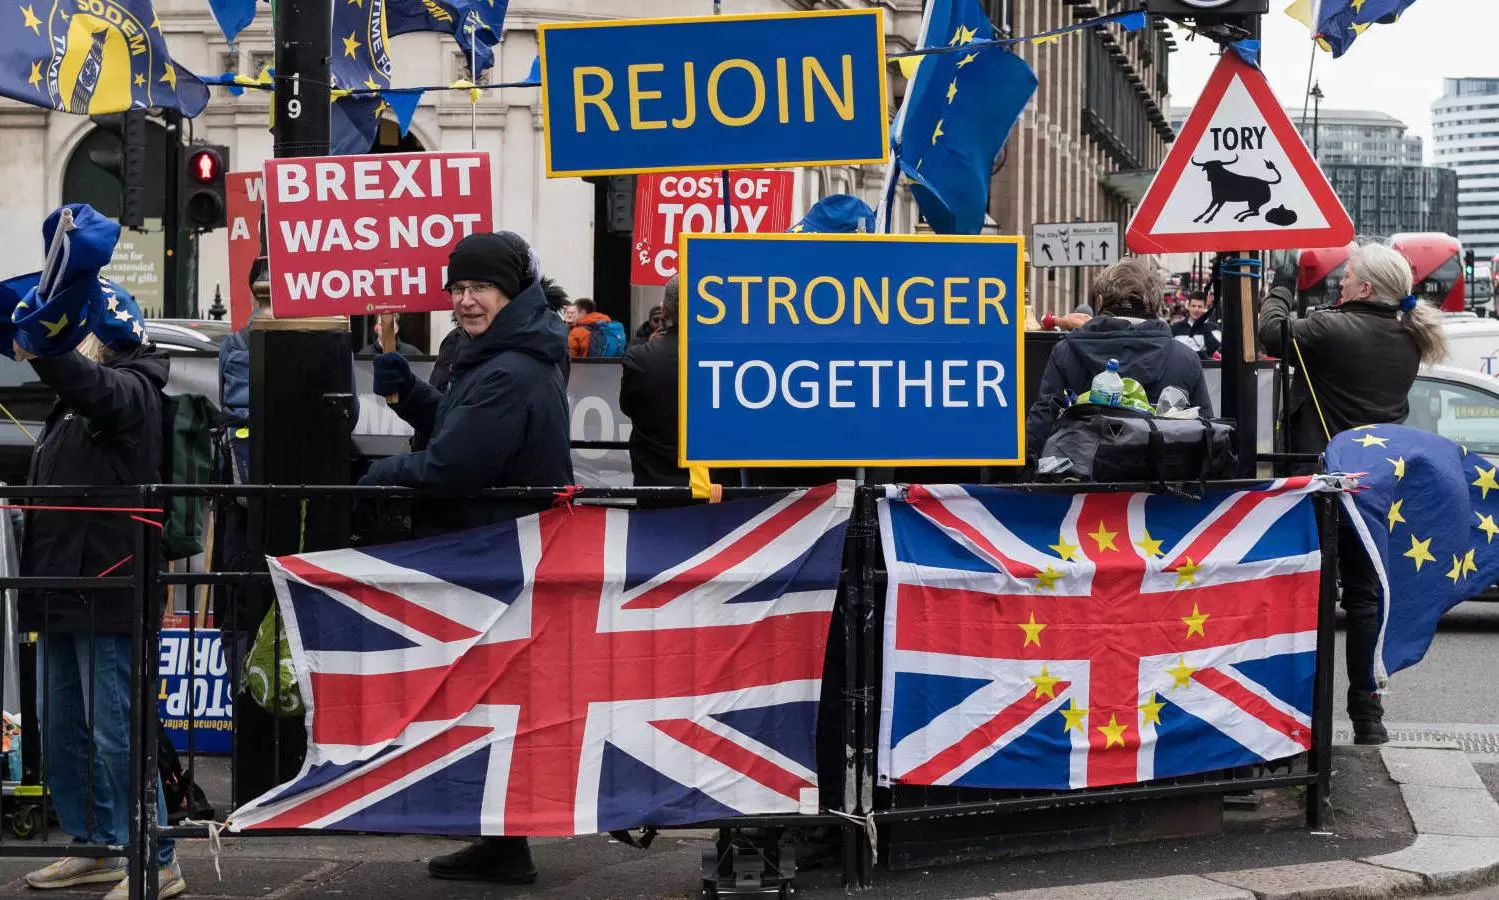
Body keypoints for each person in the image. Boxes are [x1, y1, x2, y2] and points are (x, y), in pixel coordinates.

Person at [361, 229, 571, 885]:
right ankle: (500, 842)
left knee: (494, 700)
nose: (464, 300)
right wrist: (409, 393)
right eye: (457, 288)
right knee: (490, 700)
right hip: (492, 550)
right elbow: (460, 427)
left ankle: (506, 844)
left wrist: (377, 476)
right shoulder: (501, 355)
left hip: (494, 553)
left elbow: (455, 465)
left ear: (510, 293)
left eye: (479, 287)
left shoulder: (509, 369)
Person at [17, 322, 184, 897]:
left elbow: (88, 384)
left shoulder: (135, 386)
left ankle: (157, 858)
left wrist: (44, 345)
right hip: (61, 585)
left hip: (109, 587)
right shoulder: (79, 399)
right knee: (60, 726)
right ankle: (98, 844)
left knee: (117, 732)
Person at [1258, 241, 1447, 746]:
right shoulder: (1408, 337)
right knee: (1364, 597)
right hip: (1376, 487)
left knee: (1310, 594)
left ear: (1365, 288)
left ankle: (1304, 715)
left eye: (1348, 276)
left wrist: (1282, 284)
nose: (1340, 280)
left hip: (1324, 484)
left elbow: (1270, 331)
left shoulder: (1334, 330)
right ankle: (1367, 714)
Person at [1026, 256, 1213, 453]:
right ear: (1155, 304)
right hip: (1164, 469)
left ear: (1101, 301)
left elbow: (1042, 421)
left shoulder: (1066, 352)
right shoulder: (1186, 359)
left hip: (1082, 467)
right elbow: (1207, 429)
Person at [620, 277, 686, 496]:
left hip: (654, 485)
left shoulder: (640, 358)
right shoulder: (727, 357)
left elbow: (628, 407)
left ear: (664, 310)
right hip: (716, 491)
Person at [1172, 290, 1221, 359]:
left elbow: (1215, 349)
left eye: (1200, 306)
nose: (1196, 309)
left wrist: (1204, 326)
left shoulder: (1213, 327)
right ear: (1188, 306)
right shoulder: (1176, 328)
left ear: (1205, 308)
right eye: (1193, 306)